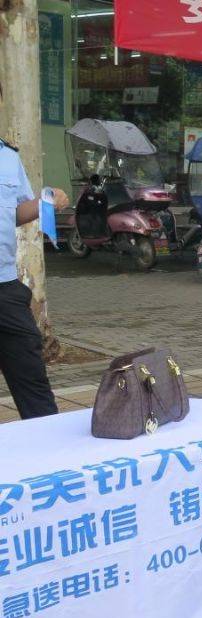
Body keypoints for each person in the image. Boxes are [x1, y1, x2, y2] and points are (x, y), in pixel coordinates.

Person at [0, 137, 69, 419]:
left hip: (4, 287)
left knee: (33, 381)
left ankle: (52, 453)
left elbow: (15, 212)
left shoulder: (8, 157)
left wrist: (46, 201)